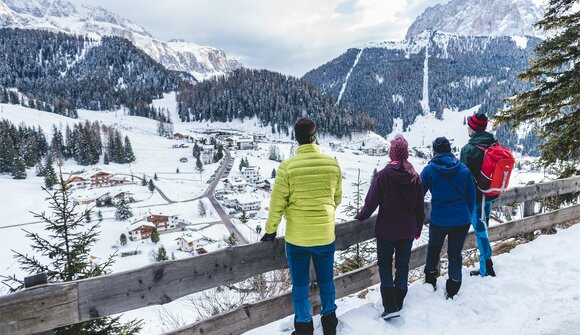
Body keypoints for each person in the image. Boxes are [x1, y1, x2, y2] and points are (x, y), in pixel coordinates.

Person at [260, 117, 342, 335]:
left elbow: (277, 204)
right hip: (325, 235)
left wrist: (270, 230)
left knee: (300, 286)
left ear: (297, 140)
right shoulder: (332, 164)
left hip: (297, 239)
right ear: (315, 136)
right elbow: (337, 199)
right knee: (326, 282)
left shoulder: (287, 168)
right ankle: (330, 324)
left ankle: (304, 327)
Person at [355, 134, 424, 320]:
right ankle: (399, 300)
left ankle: (390, 305)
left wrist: (360, 217)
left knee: (385, 264)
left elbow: (370, 203)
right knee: (403, 265)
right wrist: (417, 228)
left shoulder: (384, 175)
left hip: (387, 229)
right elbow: (419, 207)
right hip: (408, 230)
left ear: (391, 154)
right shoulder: (414, 176)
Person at [420, 137, 475, 299]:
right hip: (461, 219)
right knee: (455, 252)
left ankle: (430, 280)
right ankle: (454, 284)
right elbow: (471, 197)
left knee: (434, 249)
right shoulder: (464, 170)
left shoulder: (429, 170)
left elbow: (418, 194)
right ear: (449, 149)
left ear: (435, 151)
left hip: (439, 218)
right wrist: (467, 216)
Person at [460, 113, 498, 277]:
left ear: (473, 129)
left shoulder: (469, 150)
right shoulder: (493, 143)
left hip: (476, 198)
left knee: (480, 230)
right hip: (489, 194)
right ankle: (485, 263)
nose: (467, 129)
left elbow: (461, 176)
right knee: (484, 227)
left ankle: (486, 266)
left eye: (469, 126)